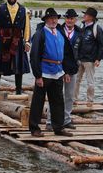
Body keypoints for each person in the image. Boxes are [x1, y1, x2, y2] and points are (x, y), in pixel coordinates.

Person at [28, 8, 76, 137]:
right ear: (46, 20)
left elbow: (66, 53)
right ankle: (34, 128)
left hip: (58, 72)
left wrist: (66, 71)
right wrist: (37, 75)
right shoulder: (40, 34)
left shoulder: (60, 33)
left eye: (55, 18)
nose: (54, 20)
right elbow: (34, 55)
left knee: (58, 101)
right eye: (51, 18)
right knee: (38, 101)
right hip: (44, 72)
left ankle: (58, 127)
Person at [46, 9, 81, 130]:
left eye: (72, 18)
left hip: (72, 68)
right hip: (58, 67)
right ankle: (50, 121)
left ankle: (66, 119)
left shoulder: (79, 32)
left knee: (70, 95)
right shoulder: (58, 30)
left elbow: (81, 51)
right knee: (55, 95)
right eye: (67, 18)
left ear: (76, 20)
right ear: (64, 19)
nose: (69, 20)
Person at [75, 7, 103, 104]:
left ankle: (90, 100)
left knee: (90, 81)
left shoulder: (97, 29)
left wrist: (98, 59)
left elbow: (101, 45)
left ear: (91, 17)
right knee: (76, 79)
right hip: (79, 58)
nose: (84, 16)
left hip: (90, 60)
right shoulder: (81, 26)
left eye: (86, 15)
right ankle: (74, 98)